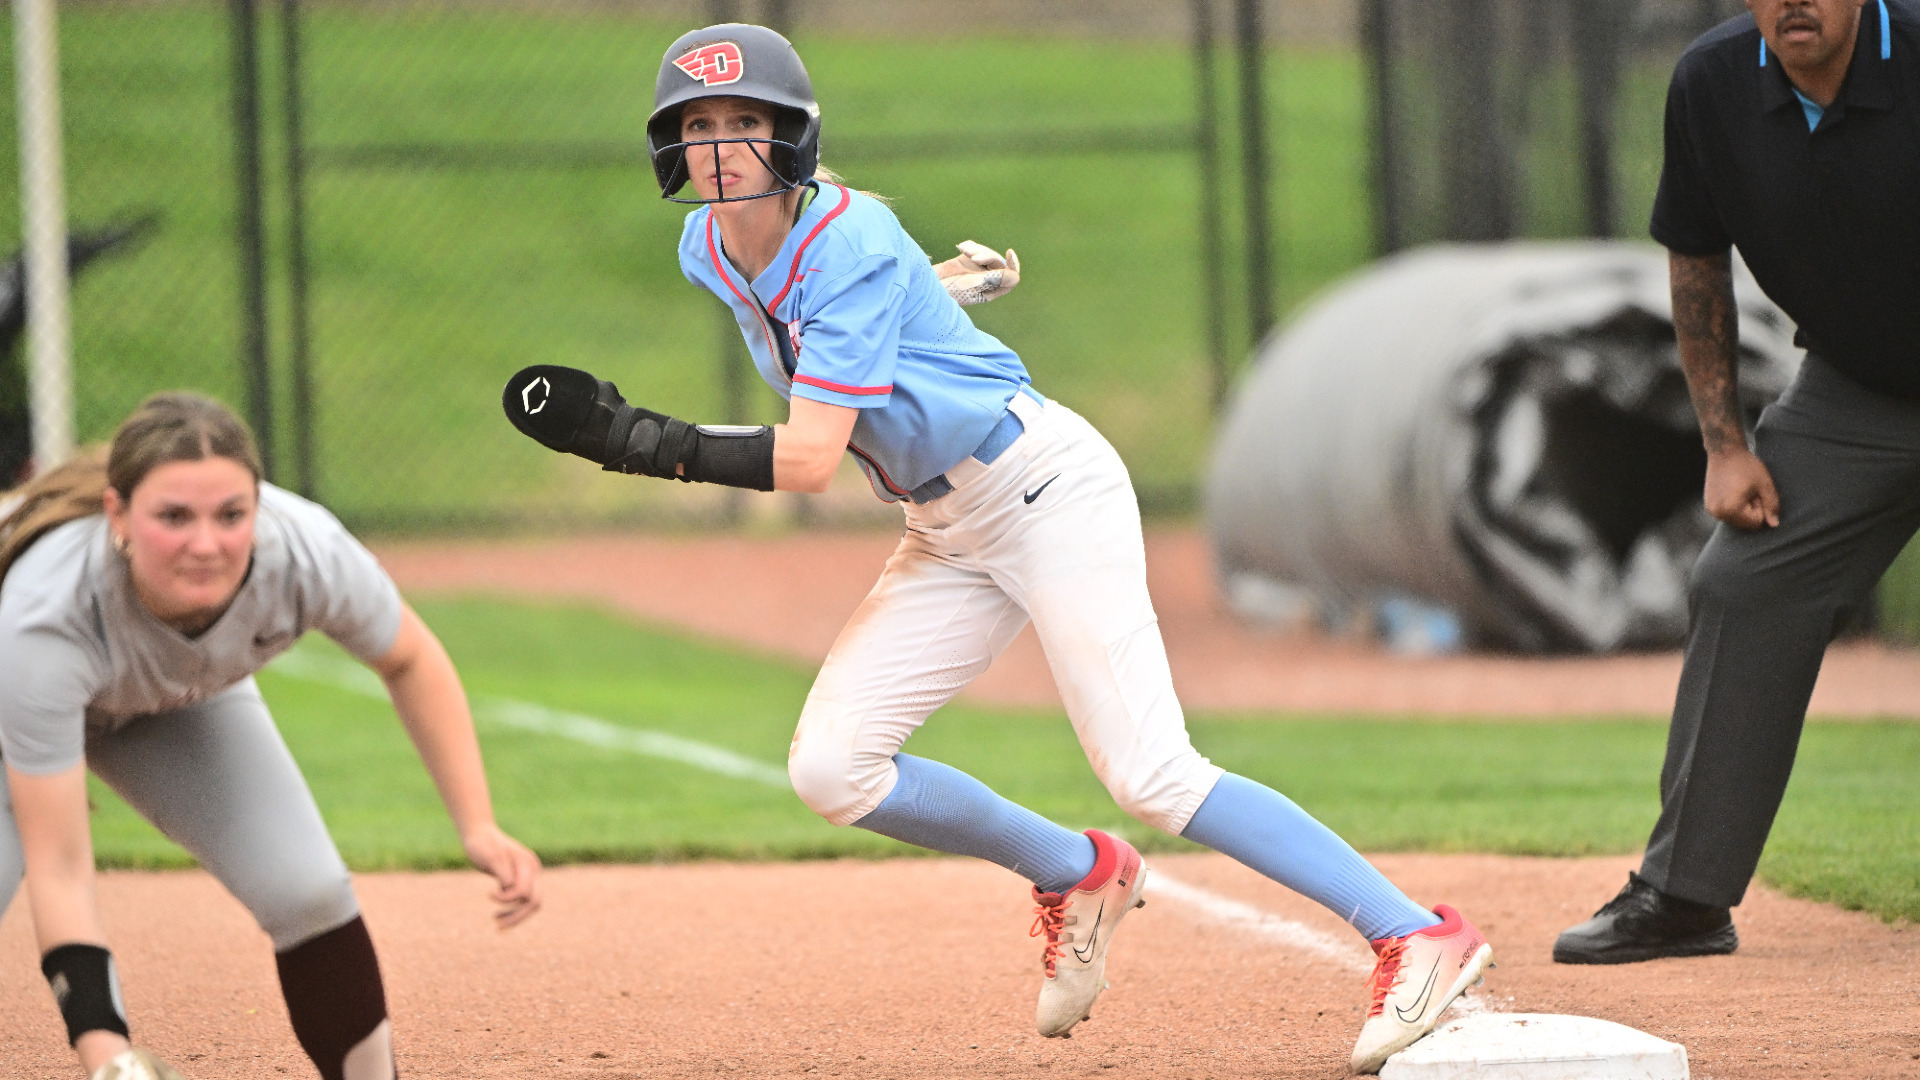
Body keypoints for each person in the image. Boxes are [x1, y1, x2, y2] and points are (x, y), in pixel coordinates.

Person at [501, 23, 1489, 1072]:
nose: (722, 146)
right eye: (698, 126)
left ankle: (1415, 932)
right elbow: (847, 327)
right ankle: (1078, 871)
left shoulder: (855, 238)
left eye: (746, 122)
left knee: (1152, 772)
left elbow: (805, 459)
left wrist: (633, 442)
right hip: (944, 526)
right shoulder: (709, 248)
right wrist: (936, 294)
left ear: (791, 135)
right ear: (670, 148)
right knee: (834, 771)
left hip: (1045, 489)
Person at [0, 392, 544, 1079]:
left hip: (169, 698)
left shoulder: (305, 552)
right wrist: (107, 1054)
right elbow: (62, 870)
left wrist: (479, 825)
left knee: (307, 890)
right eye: (173, 516)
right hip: (8, 692)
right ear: (118, 516)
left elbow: (409, 657)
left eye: (231, 515)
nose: (206, 543)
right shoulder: (47, 612)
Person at [1556, 0, 1920, 964]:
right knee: (1742, 583)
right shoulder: (1713, 83)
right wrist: (1724, 442)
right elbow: (1695, 256)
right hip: (1860, 394)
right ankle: (1684, 896)